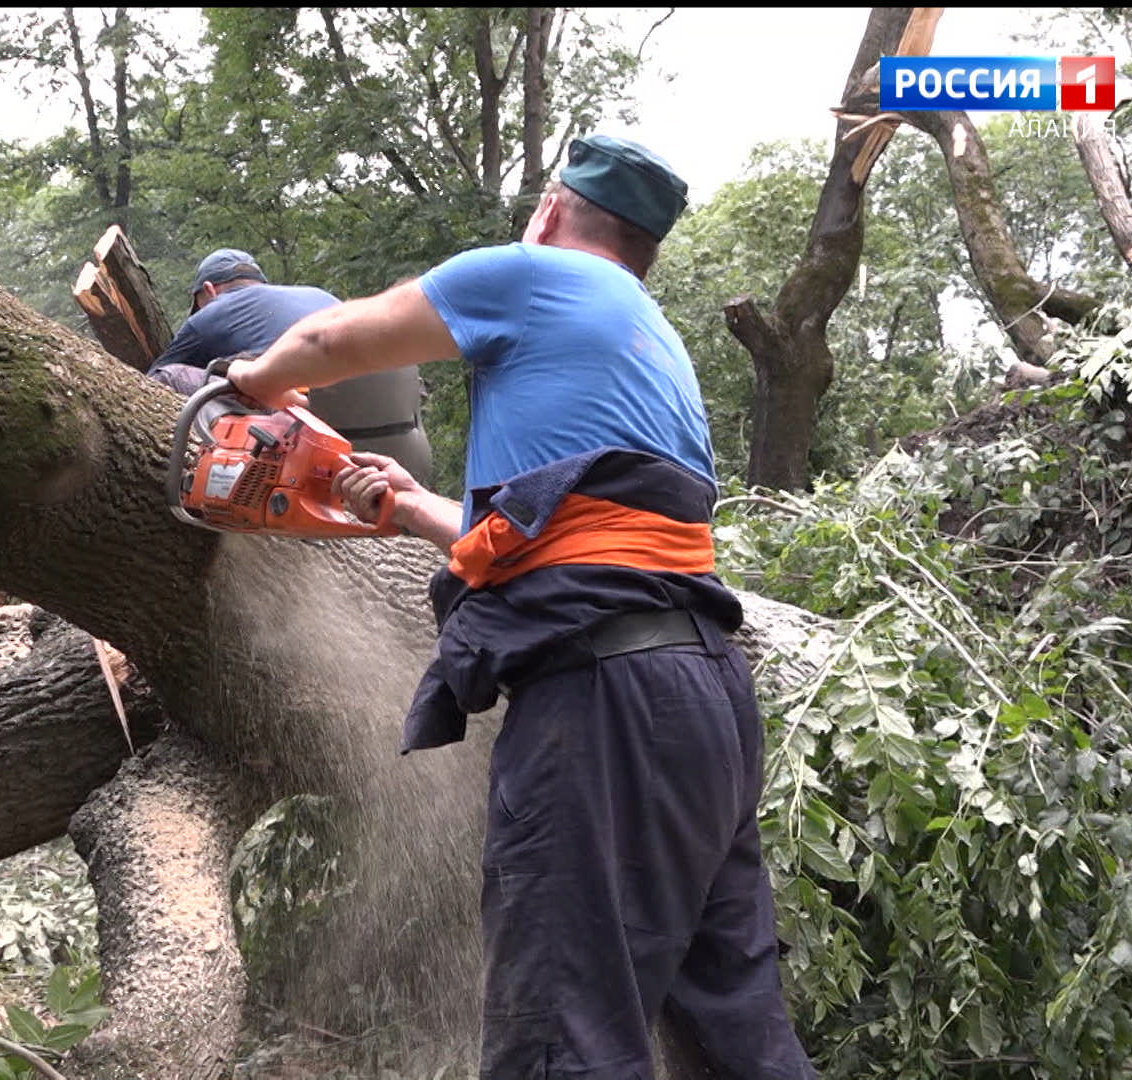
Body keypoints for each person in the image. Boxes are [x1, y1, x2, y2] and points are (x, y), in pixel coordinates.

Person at [225, 135, 815, 1079]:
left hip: (602, 700)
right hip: (706, 697)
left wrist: (248, 385)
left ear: (549, 210)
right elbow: (580, 528)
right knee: (730, 1025)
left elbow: (332, 342)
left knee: (564, 1034)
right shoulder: (648, 341)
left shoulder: (532, 274)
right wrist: (414, 506)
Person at [149, 248, 434, 483]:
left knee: (168, 377)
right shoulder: (318, 296)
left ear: (209, 291)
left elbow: (146, 380)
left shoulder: (214, 310)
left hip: (312, 438)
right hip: (398, 447)